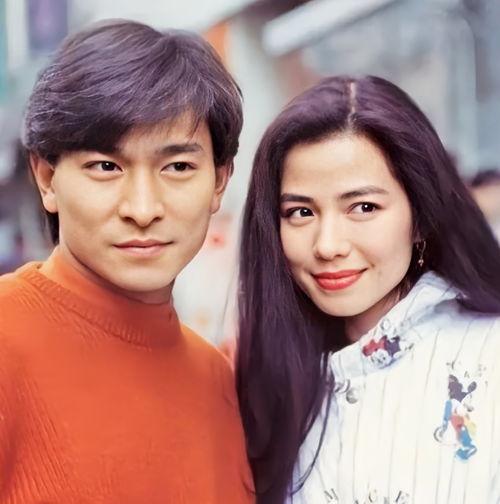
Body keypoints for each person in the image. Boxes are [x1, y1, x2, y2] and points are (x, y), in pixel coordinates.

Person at [0, 20, 254, 503]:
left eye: (177, 167)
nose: (142, 208)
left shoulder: (217, 381)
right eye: (106, 166)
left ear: (219, 182)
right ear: (47, 178)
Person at [236, 75, 500, 504]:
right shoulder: (264, 381)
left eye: (363, 207)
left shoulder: (490, 356)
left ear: (420, 216)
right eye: (301, 212)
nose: (328, 246)